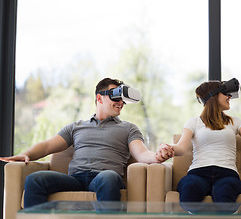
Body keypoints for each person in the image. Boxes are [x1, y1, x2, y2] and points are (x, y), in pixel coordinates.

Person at [0, 77, 173, 208]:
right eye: (115, 97)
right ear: (99, 98)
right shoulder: (76, 127)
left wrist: (157, 156)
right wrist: (26, 154)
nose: (120, 102)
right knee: (34, 180)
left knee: (109, 177)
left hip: (104, 178)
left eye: (122, 99)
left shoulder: (129, 128)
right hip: (75, 179)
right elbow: (46, 146)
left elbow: (142, 153)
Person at [158, 79, 241, 203]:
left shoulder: (235, 121)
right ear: (213, 96)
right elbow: (181, 147)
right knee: (189, 190)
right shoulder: (194, 122)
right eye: (225, 93)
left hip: (227, 174)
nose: (229, 97)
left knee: (224, 193)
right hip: (198, 173)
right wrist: (169, 148)